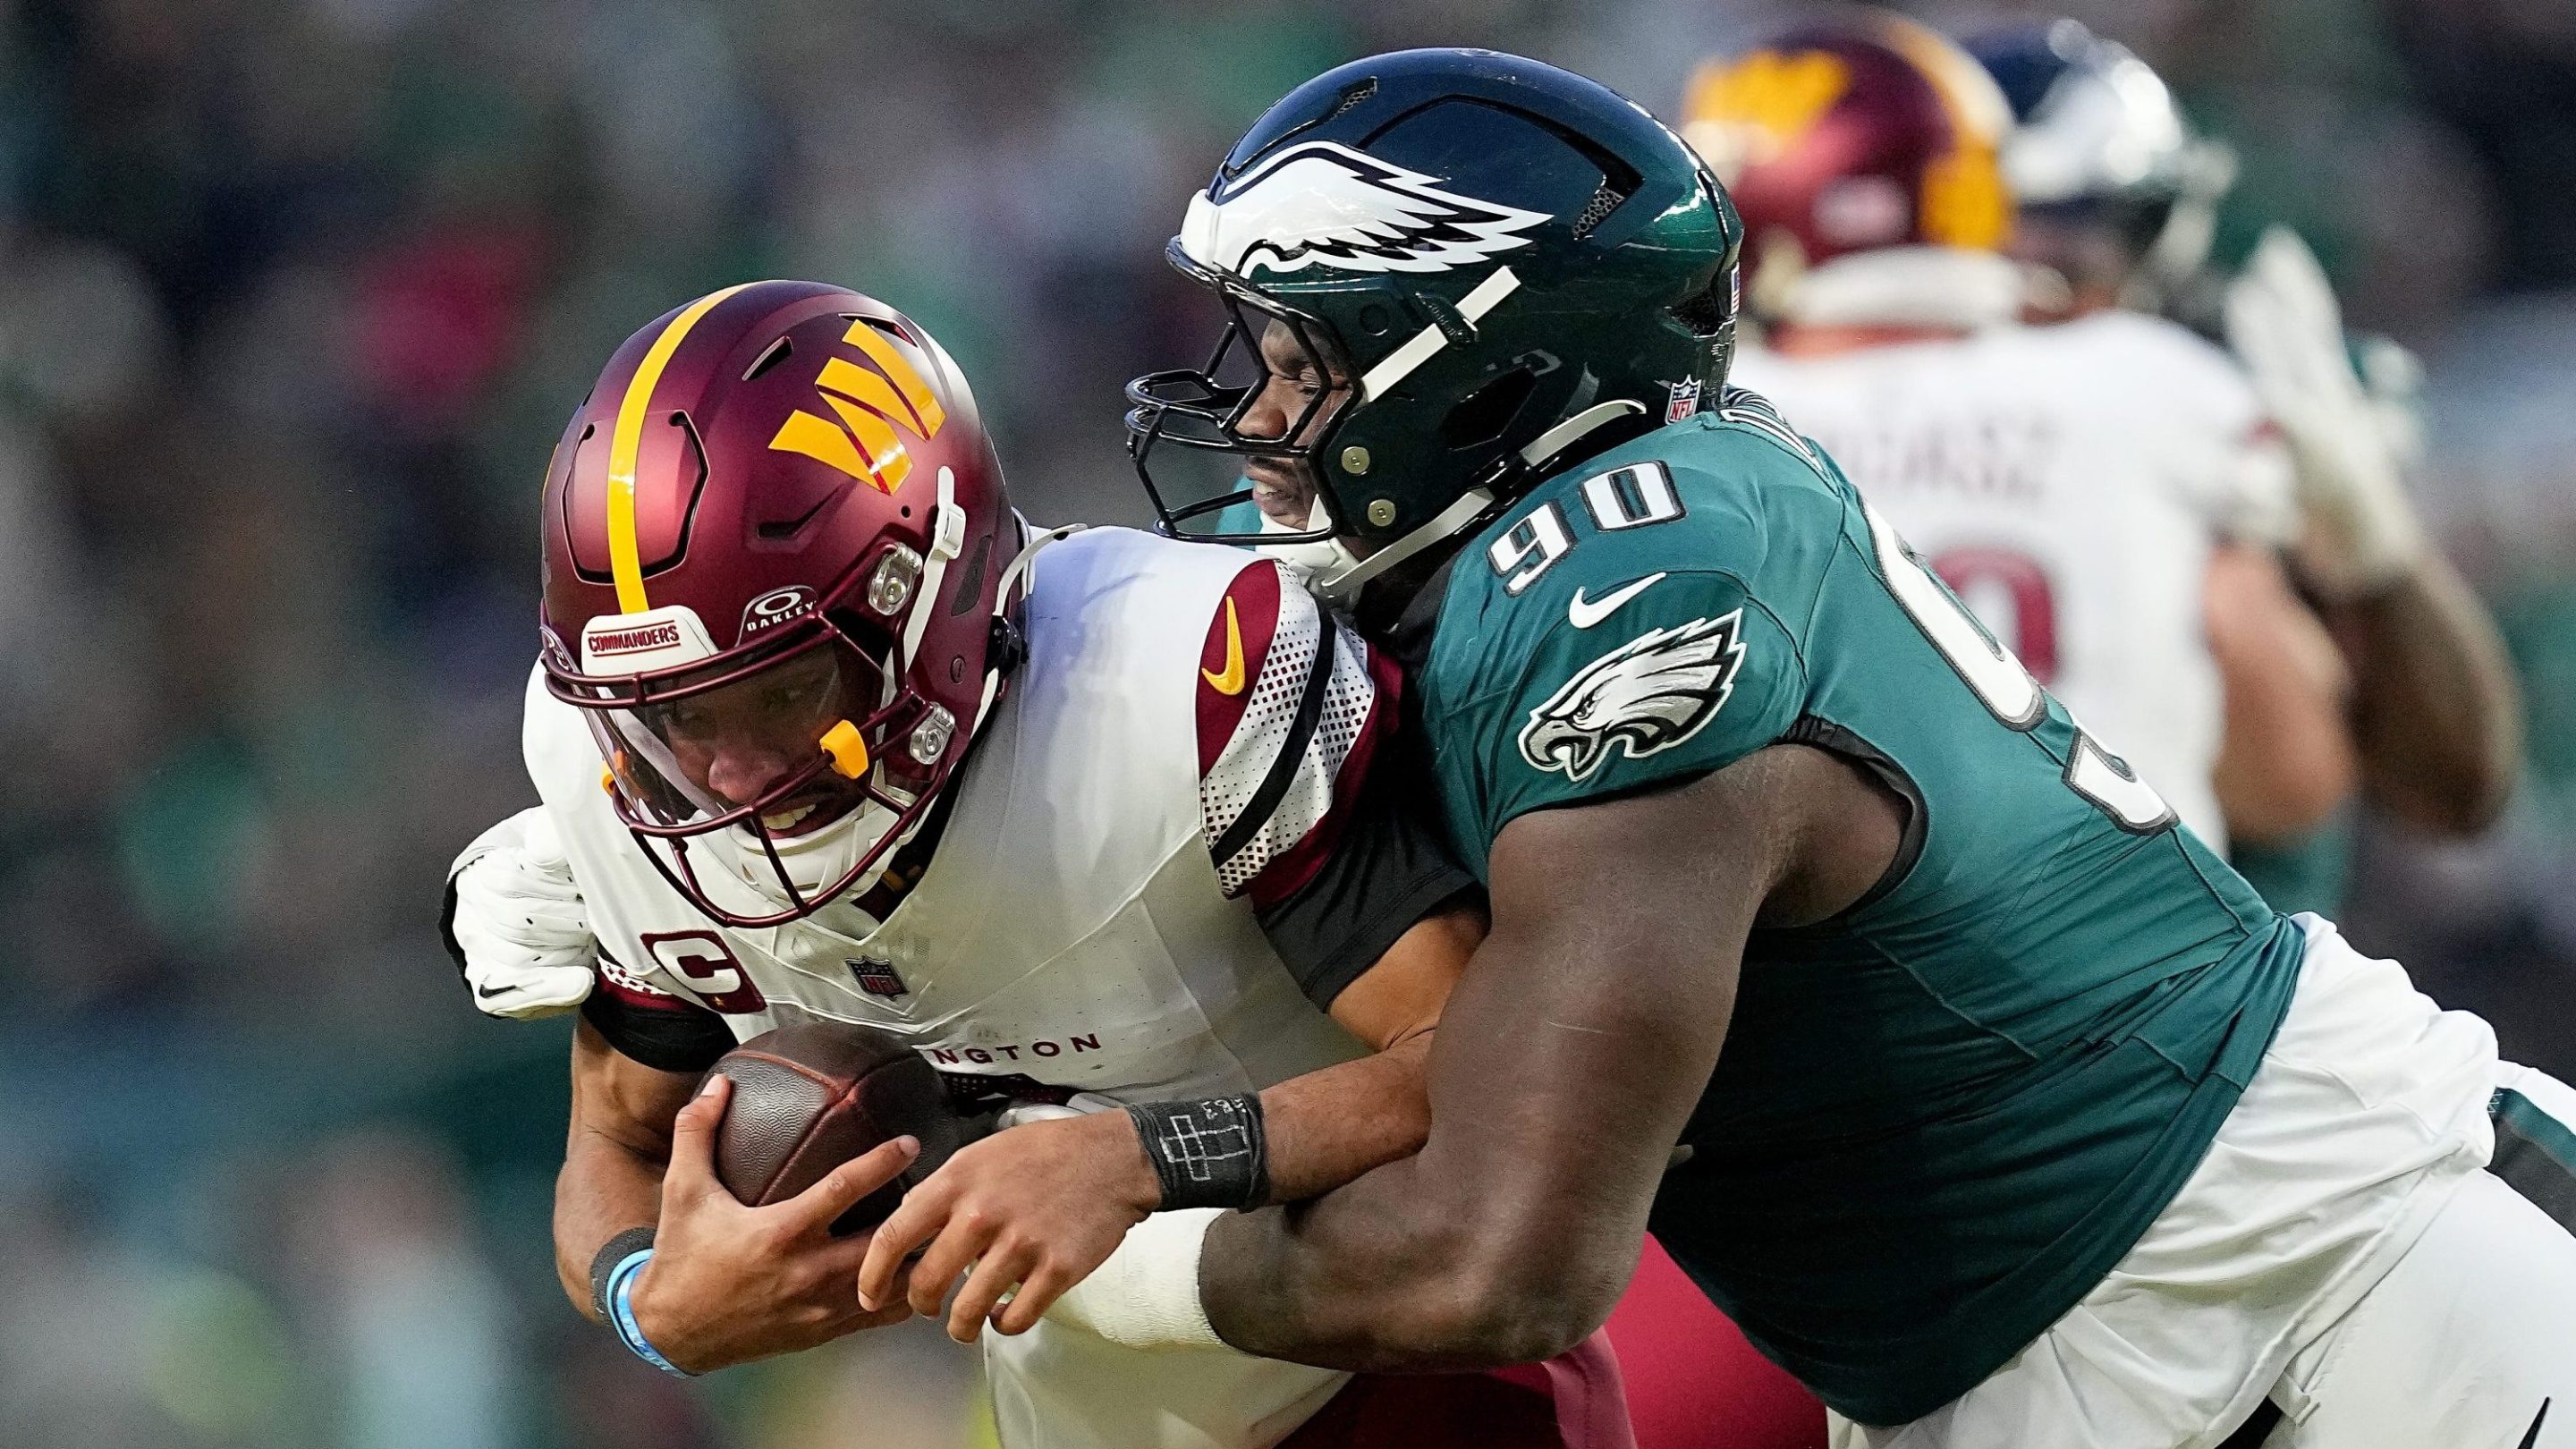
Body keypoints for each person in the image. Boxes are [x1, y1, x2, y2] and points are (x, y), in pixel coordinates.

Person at [882, 47, 2576, 1449]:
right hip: (2009, 1364)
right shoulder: (1512, 564)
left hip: (2321, 1268)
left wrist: (1112, 1260)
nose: (1250, 414)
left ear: (1481, 381)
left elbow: (1505, 1262)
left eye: (1305, 359)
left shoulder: (1632, 593)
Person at [440, 277, 1633, 1449]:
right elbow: (618, 1143)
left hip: (1408, 1394)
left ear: (930, 591)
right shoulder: (613, 772)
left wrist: (1141, 1157)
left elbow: (1485, 1065)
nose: (734, 777)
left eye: (784, 693)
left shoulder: (1179, 684)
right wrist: (649, 1299)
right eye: (680, 723)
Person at [1697, 13, 2352, 859]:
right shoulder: (2154, 381)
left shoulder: (1711, 430)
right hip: (2142, 945)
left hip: (1835, 956)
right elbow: (2296, 782)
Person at [1971, 19, 2522, 911]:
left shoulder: (2234, 403)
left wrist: (2375, 550)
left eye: (2068, 252)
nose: (2031, 290)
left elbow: (2458, 790)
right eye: (1996, 249)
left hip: (2226, 975)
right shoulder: (1829, 415)